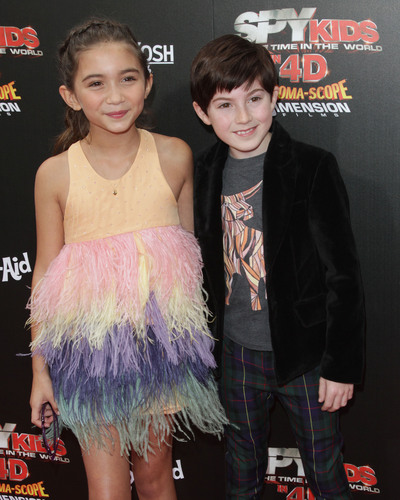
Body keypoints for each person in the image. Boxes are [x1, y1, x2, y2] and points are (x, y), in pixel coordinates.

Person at [28, 19, 227, 500]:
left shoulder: (175, 157)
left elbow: (188, 260)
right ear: (71, 95)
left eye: (128, 78)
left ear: (148, 83)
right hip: (87, 358)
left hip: (158, 351)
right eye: (96, 83)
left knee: (157, 479)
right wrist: (39, 373)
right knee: (107, 490)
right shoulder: (55, 174)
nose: (115, 96)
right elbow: (45, 279)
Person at [190, 34, 365, 499]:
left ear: (274, 97)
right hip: (236, 355)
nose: (243, 117)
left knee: (324, 467)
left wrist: (341, 366)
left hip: (304, 356)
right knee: (241, 463)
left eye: (254, 98)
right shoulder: (203, 172)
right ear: (203, 113)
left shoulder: (311, 166)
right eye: (224, 105)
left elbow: (343, 276)